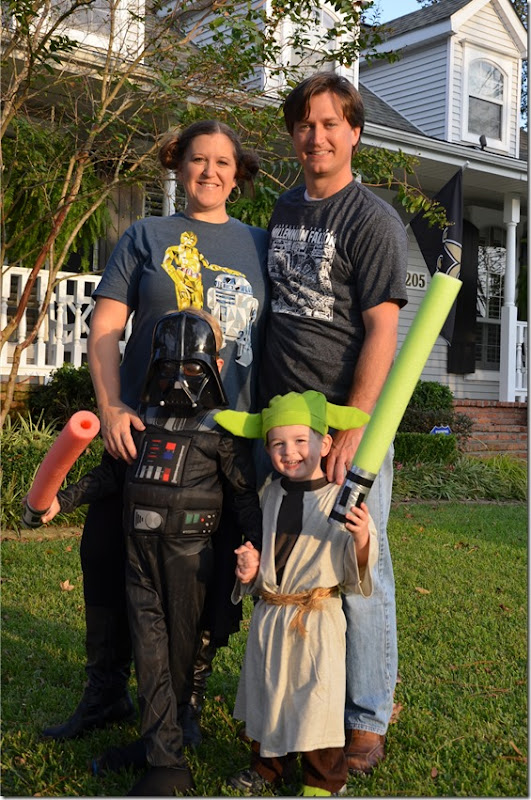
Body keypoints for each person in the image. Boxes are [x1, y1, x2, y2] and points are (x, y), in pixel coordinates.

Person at [41, 120, 269, 757]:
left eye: (222, 162)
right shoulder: (145, 235)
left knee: (207, 574)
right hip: (142, 433)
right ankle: (106, 689)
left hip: (222, 441)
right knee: (105, 554)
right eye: (198, 159)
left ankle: (186, 702)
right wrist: (112, 405)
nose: (209, 171)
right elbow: (106, 327)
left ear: (238, 174)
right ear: (178, 165)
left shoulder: (260, 244)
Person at [40, 309, 263, 796]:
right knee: (149, 653)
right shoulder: (142, 421)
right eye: (170, 367)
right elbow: (112, 475)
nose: (180, 379)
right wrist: (61, 501)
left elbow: (245, 497)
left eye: (192, 368)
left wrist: (260, 550)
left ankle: (166, 753)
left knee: (178, 656)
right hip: (139, 559)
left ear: (215, 366)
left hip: (190, 562)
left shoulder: (221, 430)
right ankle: (162, 753)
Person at [259, 72, 408, 774]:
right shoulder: (284, 207)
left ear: (354, 132)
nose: (315, 136)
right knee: (297, 563)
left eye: (329, 123)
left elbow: (382, 330)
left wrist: (355, 428)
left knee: (358, 563)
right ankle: (305, 700)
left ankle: (368, 716)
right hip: (286, 429)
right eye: (304, 124)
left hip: (347, 426)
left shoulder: (372, 219)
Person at [214, 390, 378, 797]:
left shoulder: (339, 498)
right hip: (273, 615)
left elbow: (355, 568)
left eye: (301, 441)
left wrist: (361, 536)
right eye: (278, 444)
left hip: (315, 618)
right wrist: (251, 568)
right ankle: (267, 768)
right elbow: (267, 556)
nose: (289, 452)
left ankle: (324, 780)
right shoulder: (271, 493)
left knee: (316, 699)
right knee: (271, 693)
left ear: (325, 444)